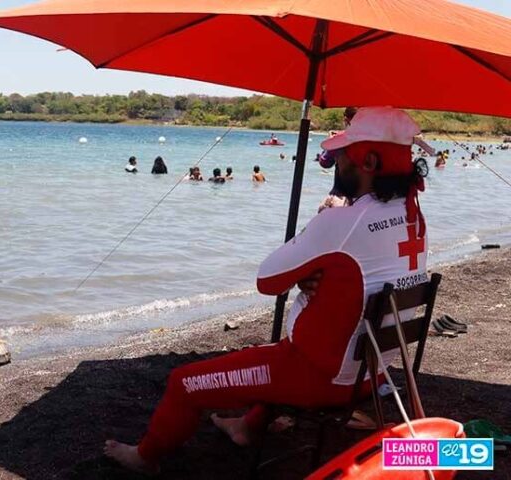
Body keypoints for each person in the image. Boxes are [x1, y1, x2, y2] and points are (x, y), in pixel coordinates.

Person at [104, 107, 430, 474]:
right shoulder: (414, 216)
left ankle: (144, 458)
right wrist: (321, 273)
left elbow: (267, 280)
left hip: (323, 378)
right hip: (372, 373)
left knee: (183, 382)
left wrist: (310, 267)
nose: (336, 163)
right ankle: (244, 426)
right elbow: (367, 270)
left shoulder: (341, 222)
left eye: (342, 156)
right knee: (269, 356)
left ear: (368, 161)